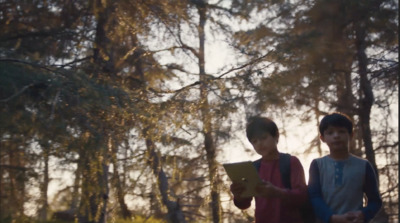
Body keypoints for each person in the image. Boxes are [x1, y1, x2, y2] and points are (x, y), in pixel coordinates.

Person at [230, 116, 308, 223]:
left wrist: (277, 192)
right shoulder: (253, 168)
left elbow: (302, 196)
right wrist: (238, 195)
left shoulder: (290, 162)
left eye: (263, 138)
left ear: (276, 135)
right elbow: (244, 204)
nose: (260, 144)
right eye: (254, 141)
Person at [308, 112, 382, 223]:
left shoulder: (363, 165)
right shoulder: (317, 165)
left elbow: (375, 200)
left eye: (341, 131)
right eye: (330, 132)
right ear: (322, 138)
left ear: (351, 135)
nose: (336, 136)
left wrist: (363, 214)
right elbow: (314, 197)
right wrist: (332, 218)